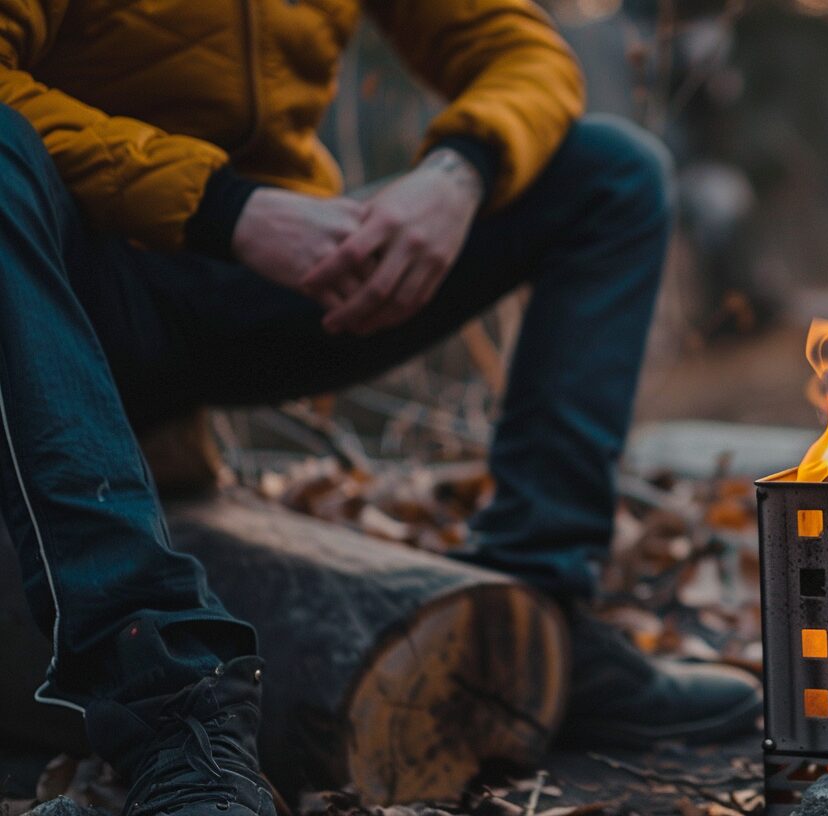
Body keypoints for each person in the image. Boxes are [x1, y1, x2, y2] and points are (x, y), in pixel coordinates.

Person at [0, 1, 762, 814]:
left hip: (278, 274)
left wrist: (457, 173)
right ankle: (169, 709)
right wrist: (224, 206)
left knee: (612, 170)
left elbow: (519, 49)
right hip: (68, 279)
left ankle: (536, 627)